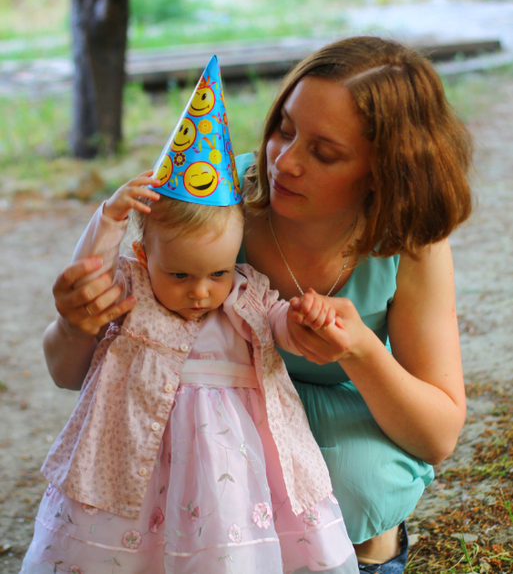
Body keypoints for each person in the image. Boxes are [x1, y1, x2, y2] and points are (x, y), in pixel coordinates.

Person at [49, 37, 472, 573]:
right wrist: (75, 325)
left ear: (386, 172)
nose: (284, 162)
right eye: (284, 129)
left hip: (344, 512)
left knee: (355, 478)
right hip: (200, 477)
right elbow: (70, 374)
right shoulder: (212, 207)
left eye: (324, 152)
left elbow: (437, 437)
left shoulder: (408, 239)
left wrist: (361, 351)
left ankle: (371, 554)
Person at [22, 58, 359, 574]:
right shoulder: (133, 289)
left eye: (216, 272)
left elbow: (278, 327)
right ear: (144, 255)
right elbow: (87, 276)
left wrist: (302, 322)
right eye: (179, 274)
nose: (201, 292)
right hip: (133, 462)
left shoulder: (245, 292)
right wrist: (110, 217)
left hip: (230, 473)